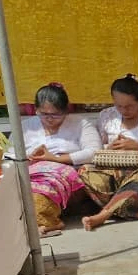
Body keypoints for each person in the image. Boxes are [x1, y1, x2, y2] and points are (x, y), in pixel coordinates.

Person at [81, 74, 138, 231]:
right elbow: (97, 147)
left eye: (129, 106)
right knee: (84, 171)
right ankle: (131, 212)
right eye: (119, 106)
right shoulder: (106, 115)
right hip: (114, 169)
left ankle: (103, 215)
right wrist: (109, 147)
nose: (123, 110)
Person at [22, 84, 99, 236]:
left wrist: (57, 159)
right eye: (44, 114)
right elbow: (10, 154)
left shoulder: (81, 124)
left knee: (43, 189)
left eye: (56, 114)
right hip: (31, 171)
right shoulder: (26, 126)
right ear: (36, 110)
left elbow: (94, 152)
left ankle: (47, 222)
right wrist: (29, 156)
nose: (49, 119)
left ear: (66, 111)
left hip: (65, 173)